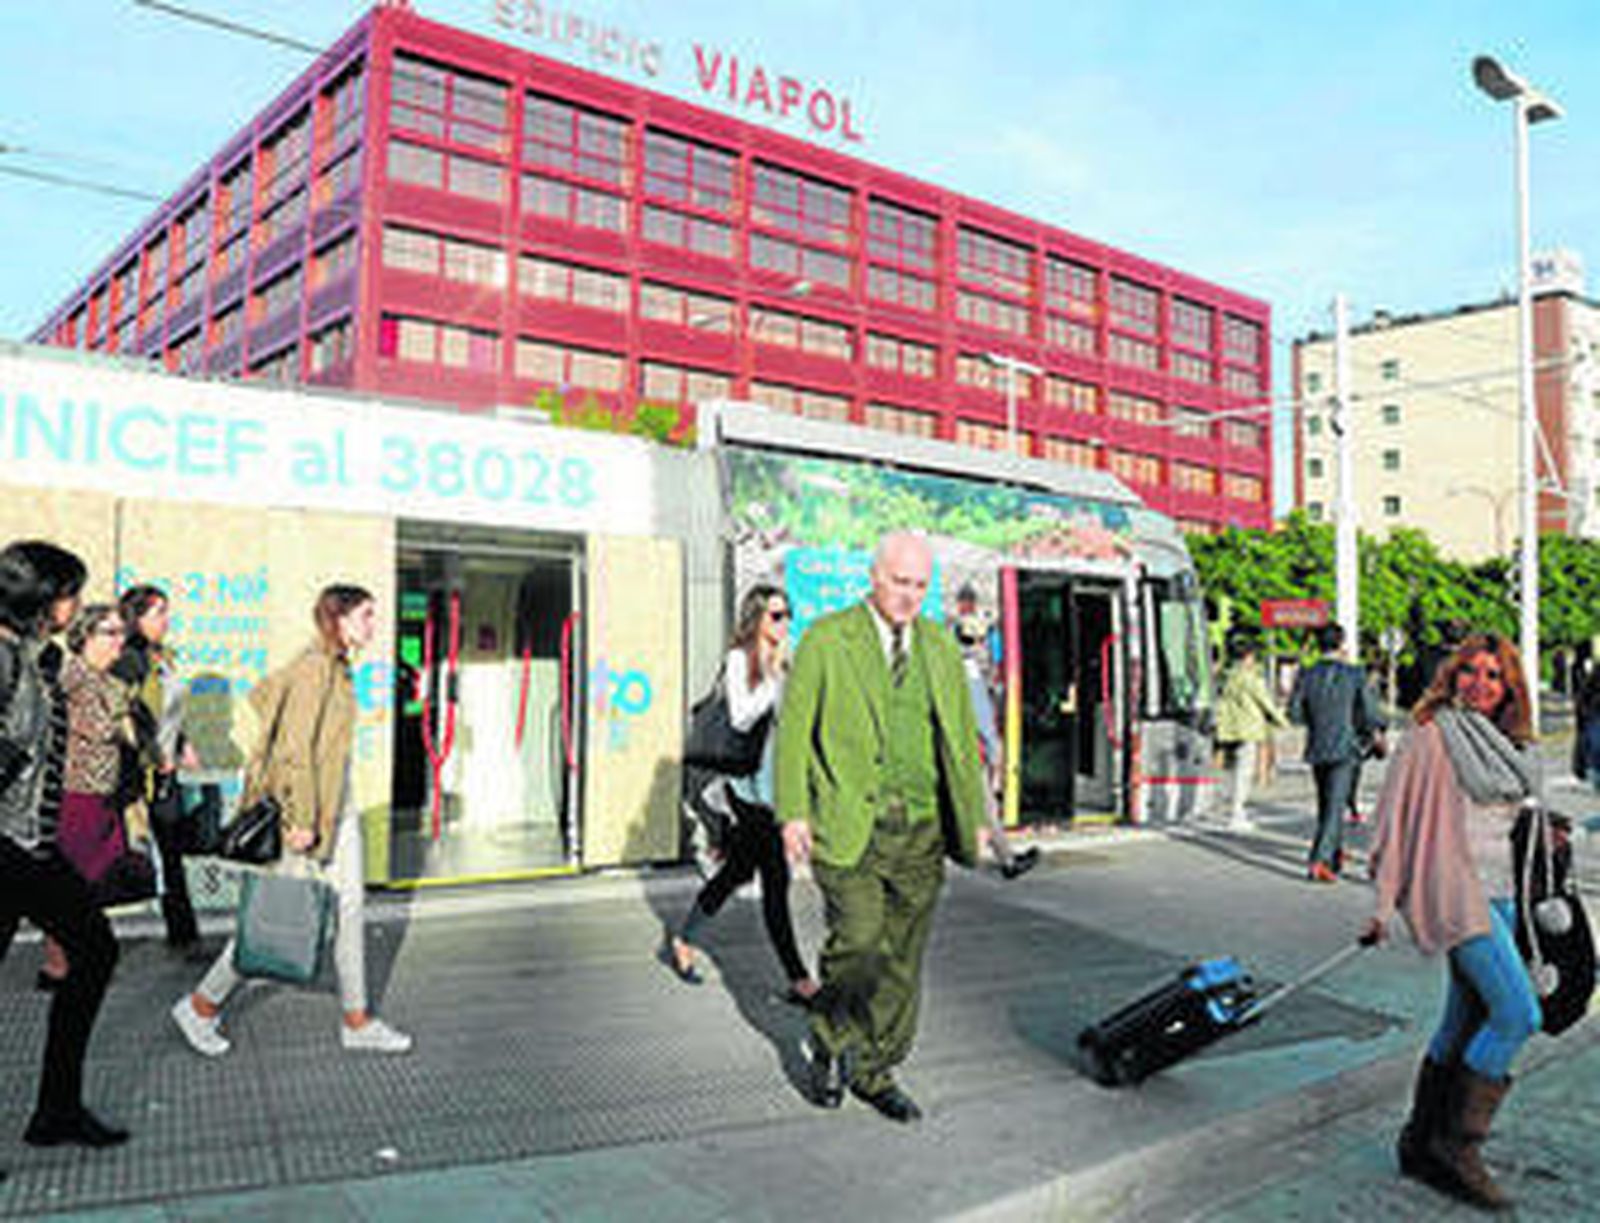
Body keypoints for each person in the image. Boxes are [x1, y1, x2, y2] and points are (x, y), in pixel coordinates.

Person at [776, 532, 986, 1123]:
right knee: (861, 943)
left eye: (920, 585)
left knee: (904, 959)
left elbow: (960, 745)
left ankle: (876, 1068)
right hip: (851, 824)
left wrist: (980, 821)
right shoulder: (826, 639)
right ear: (874, 577)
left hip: (922, 830)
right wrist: (792, 811)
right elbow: (794, 733)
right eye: (899, 582)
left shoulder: (941, 648)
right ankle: (831, 1037)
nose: (909, 596)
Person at [171, 584, 412, 1057]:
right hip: (310, 815)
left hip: (337, 810)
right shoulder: (315, 670)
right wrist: (300, 819)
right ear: (338, 620)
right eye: (365, 615)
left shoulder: (338, 669)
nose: (372, 625)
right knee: (275, 918)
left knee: (348, 913)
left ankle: (357, 1020)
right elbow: (294, 751)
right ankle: (200, 1005)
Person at [1362, 633, 1542, 1211]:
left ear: (1510, 687)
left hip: (1503, 897)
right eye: (1470, 672)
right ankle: (1457, 1147)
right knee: (1518, 1013)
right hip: (1456, 893)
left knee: (1462, 1022)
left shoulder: (1508, 747)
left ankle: (1417, 1142)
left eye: (1494, 676)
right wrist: (1381, 906)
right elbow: (1392, 823)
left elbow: (1504, 818)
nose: (1480, 685)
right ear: (1451, 675)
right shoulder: (1432, 737)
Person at [0, 540, 128, 1153]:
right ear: (40, 595)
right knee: (96, 950)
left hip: (30, 847)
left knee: (95, 951)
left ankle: (56, 1109)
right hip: (5, 848)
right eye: (68, 591)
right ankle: (56, 1109)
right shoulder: (1, 657)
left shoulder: (34, 656)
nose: (73, 603)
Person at [665, 584, 820, 1004]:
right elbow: (741, 714)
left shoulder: (783, 663)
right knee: (776, 880)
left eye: (787, 614)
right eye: (776, 615)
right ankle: (799, 979)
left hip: (773, 784)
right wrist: (772, 677)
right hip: (746, 789)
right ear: (755, 618)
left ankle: (683, 937)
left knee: (736, 872)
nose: (784, 622)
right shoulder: (740, 659)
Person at [37, 605, 143, 992]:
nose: (120, 641)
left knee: (88, 883)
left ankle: (70, 960)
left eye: (122, 633)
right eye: (110, 633)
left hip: (100, 797)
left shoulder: (106, 681)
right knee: (69, 885)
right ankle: (57, 968)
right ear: (85, 637)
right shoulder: (71, 675)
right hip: (75, 796)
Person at [112, 584, 200, 955]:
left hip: (164, 773)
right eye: (157, 612)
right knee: (128, 853)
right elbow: (125, 717)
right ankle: (79, 939)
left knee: (171, 852)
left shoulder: (163, 657)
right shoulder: (129, 660)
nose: (166, 619)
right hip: (138, 776)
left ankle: (183, 934)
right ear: (136, 618)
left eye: (166, 610)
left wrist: (182, 743)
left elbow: (170, 711)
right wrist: (153, 754)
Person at [1288, 623, 1385, 882]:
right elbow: (1369, 711)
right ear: (1341, 644)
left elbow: (1295, 714)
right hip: (1346, 748)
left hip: (1318, 746)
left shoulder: (1306, 674)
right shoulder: (1354, 674)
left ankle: (1334, 855)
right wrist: (1376, 731)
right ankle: (1318, 861)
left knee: (1327, 806)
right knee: (1334, 807)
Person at [954, 614, 1038, 879]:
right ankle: (1008, 862)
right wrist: (995, 753)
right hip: (968, 752)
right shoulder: (968, 666)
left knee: (983, 808)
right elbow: (981, 716)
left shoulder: (949, 661)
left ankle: (1007, 858)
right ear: (979, 640)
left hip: (956, 749)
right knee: (986, 807)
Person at [1213, 634, 1289, 832]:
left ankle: (1235, 809)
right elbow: (1265, 702)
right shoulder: (1251, 677)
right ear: (1248, 656)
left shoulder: (1228, 676)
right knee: (1244, 772)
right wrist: (1283, 721)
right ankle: (1237, 813)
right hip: (1248, 729)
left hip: (1230, 727)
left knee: (1235, 770)